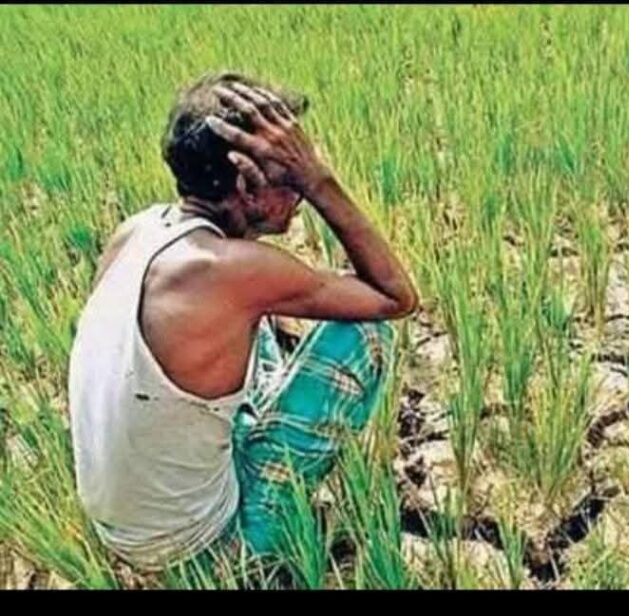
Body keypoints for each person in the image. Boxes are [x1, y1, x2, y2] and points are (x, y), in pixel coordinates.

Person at [67, 71, 419, 577]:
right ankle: (265, 541)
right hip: (204, 552)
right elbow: (395, 297)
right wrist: (318, 180)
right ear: (246, 183)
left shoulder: (137, 231)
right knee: (365, 334)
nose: (299, 190)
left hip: (125, 532)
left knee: (263, 332)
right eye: (289, 173)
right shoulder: (230, 272)